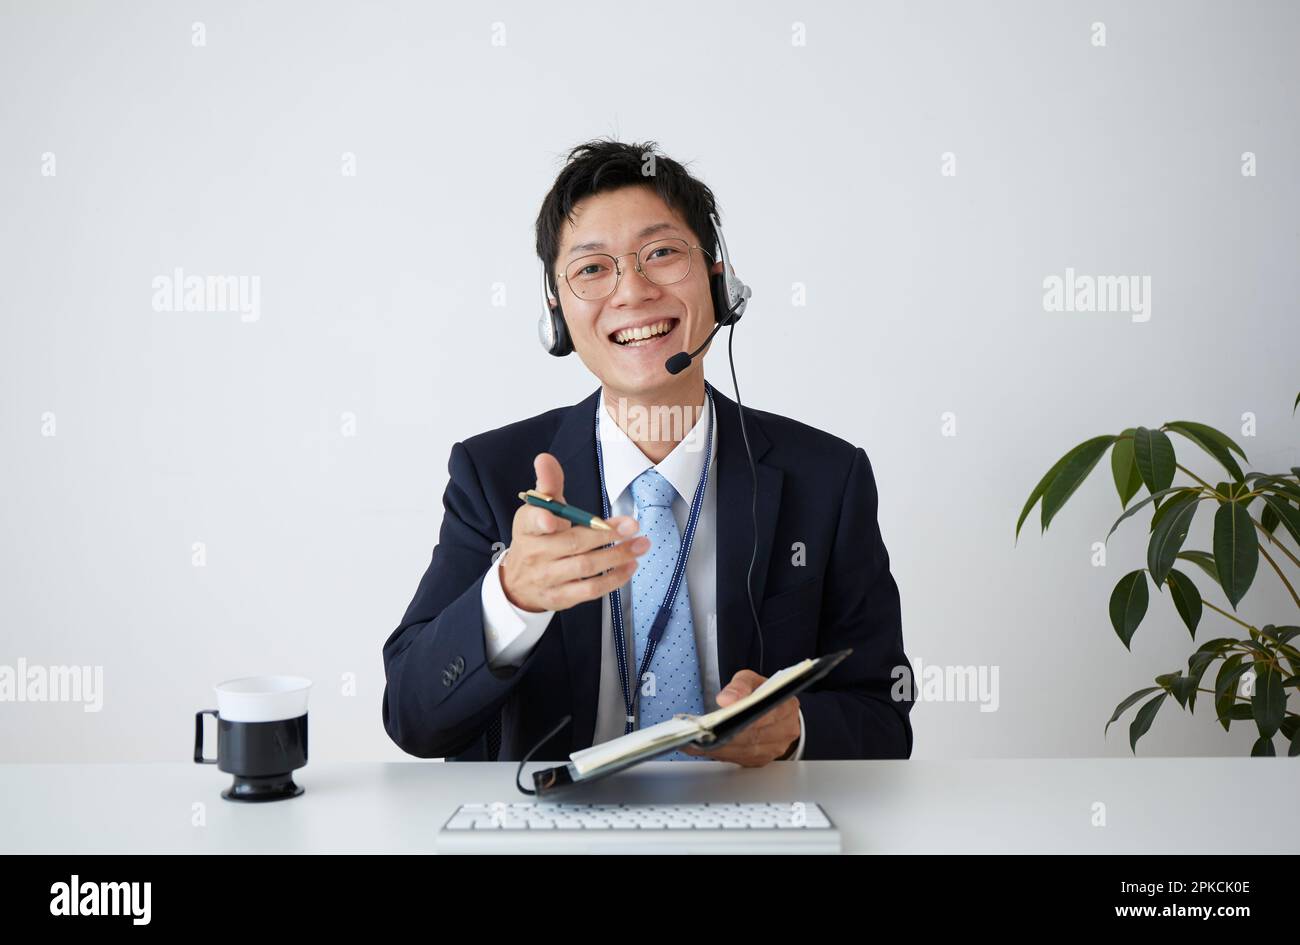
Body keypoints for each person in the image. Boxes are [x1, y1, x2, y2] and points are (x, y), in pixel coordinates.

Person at [381, 139, 913, 765]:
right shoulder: (493, 475)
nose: (631, 291)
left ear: (721, 280)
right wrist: (511, 596)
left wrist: (794, 729)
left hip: (746, 827)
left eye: (661, 253)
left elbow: (886, 715)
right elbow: (412, 720)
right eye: (591, 268)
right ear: (556, 311)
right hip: (560, 836)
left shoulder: (828, 477)